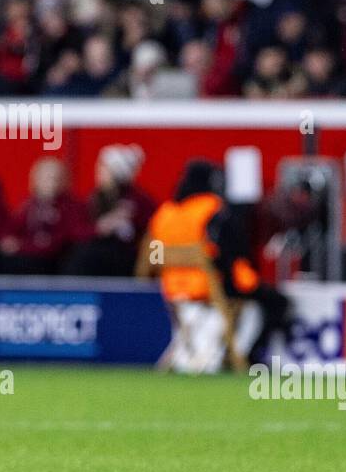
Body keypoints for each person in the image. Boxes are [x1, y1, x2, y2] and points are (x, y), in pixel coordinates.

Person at [147, 160, 291, 373]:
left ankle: (218, 354)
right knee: (276, 301)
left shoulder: (164, 213)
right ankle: (251, 357)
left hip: (172, 289)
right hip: (210, 286)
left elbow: (152, 256)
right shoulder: (211, 208)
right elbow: (227, 252)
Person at [65, 144, 156, 276]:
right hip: (94, 255)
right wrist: (100, 228)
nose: (99, 172)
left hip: (125, 257)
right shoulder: (93, 199)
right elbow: (76, 231)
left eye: (105, 169)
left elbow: (152, 232)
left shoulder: (139, 201)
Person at [0, 157, 92, 274]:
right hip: (28, 258)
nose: (52, 182)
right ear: (35, 180)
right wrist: (8, 241)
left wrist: (23, 246)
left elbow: (62, 240)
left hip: (55, 262)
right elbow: (9, 229)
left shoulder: (73, 207)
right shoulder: (29, 207)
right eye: (47, 177)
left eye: (56, 178)